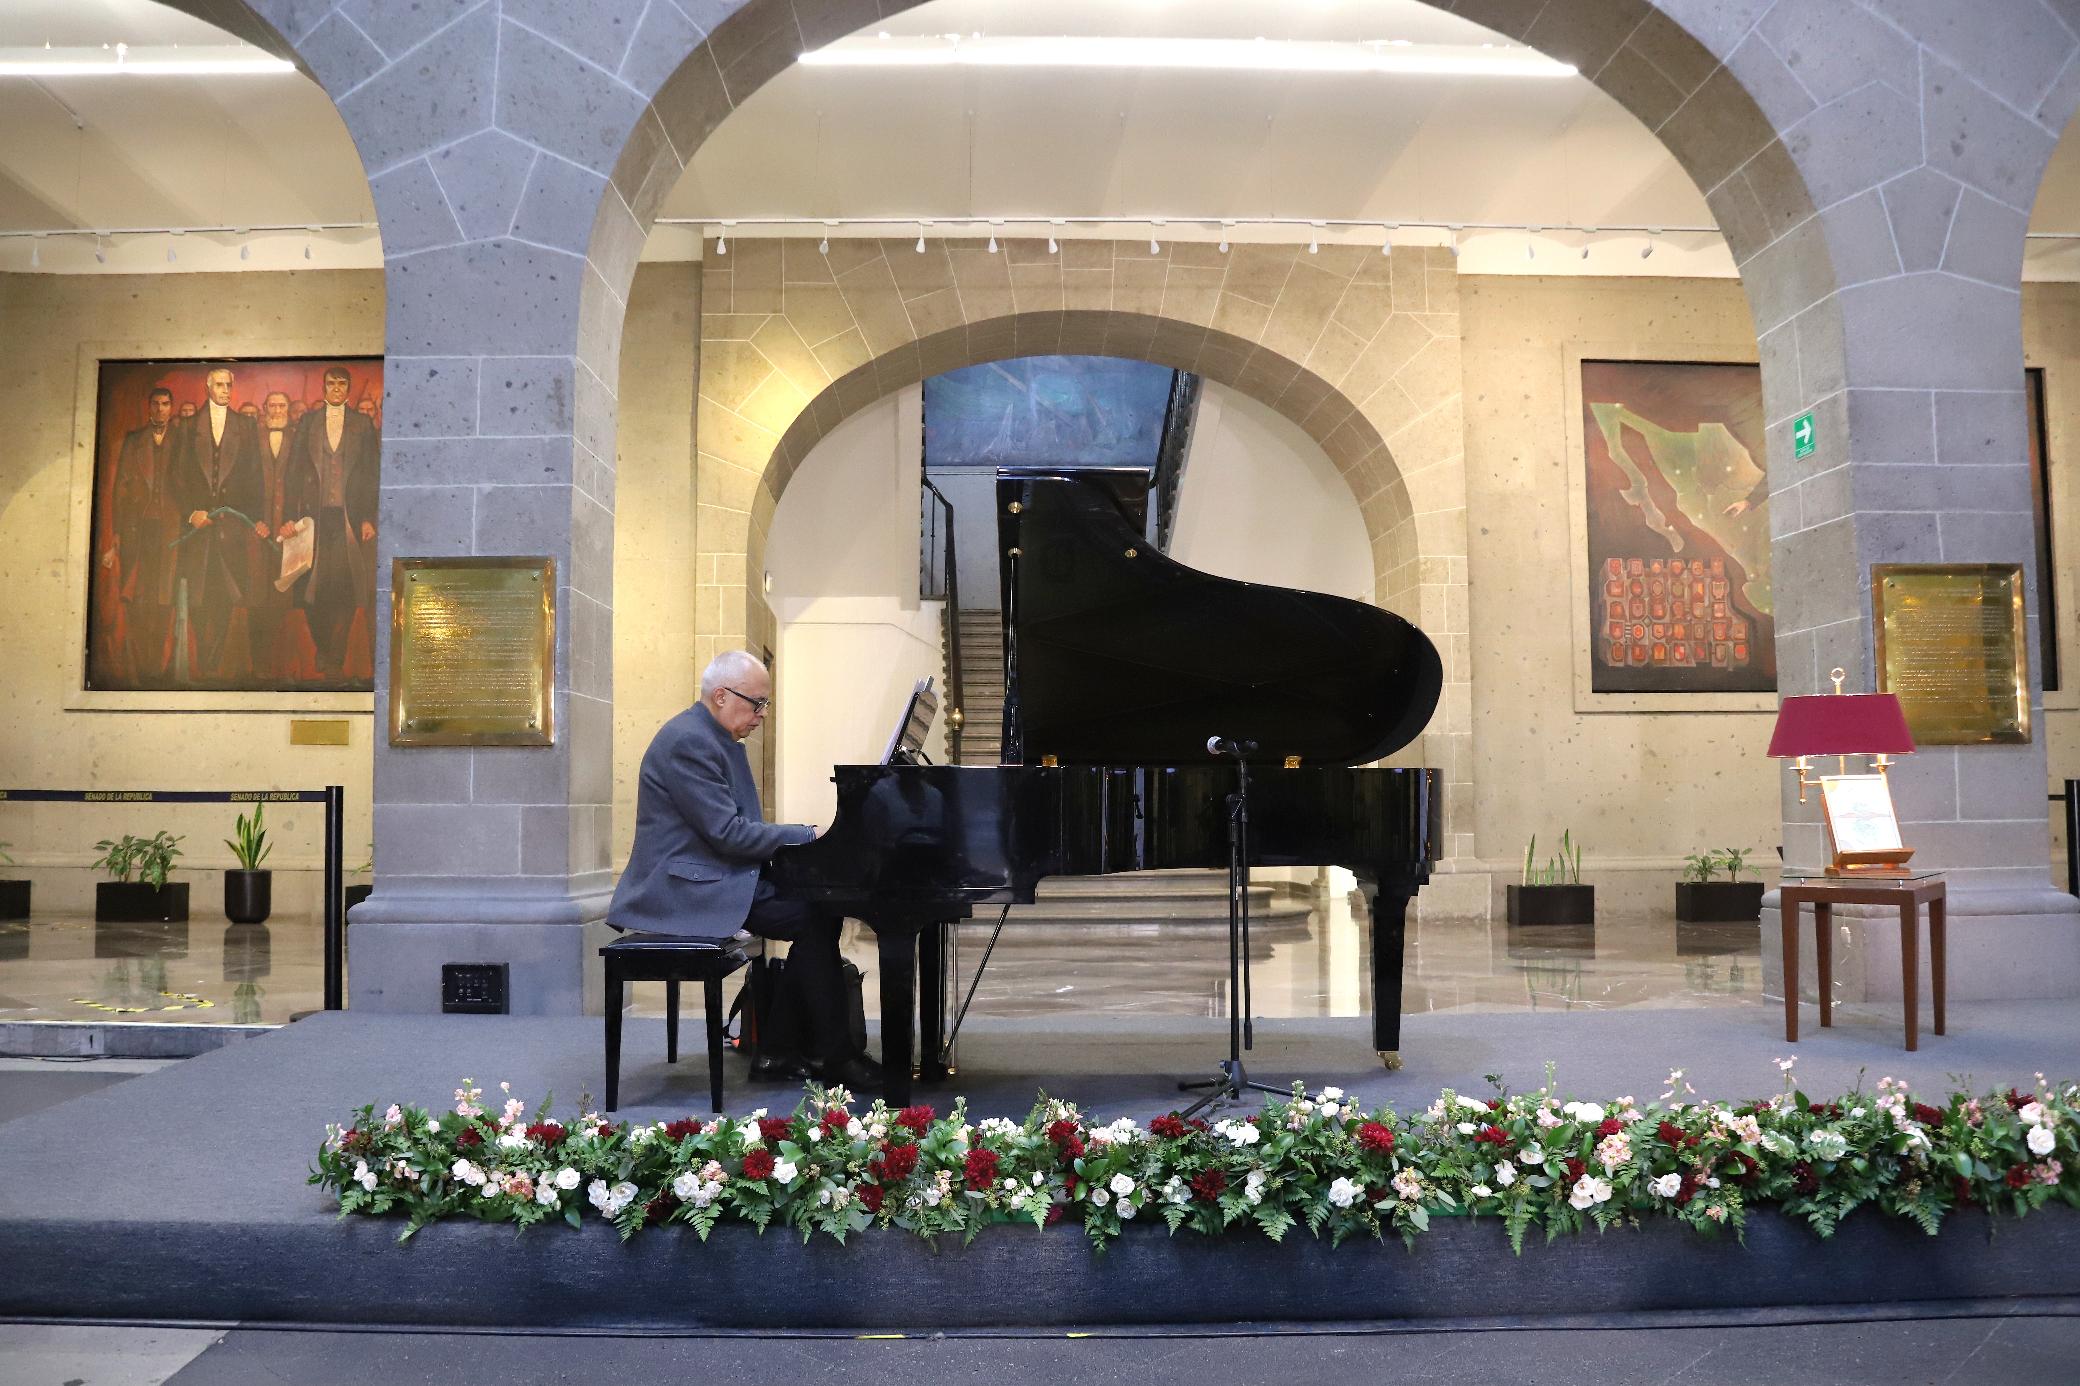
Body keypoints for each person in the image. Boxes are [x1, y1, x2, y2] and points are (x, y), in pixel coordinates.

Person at [610, 650, 875, 1086]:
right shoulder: (689, 741)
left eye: (764, 704)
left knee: (819, 911)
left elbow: (736, 831)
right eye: (757, 703)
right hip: (686, 886)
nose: (762, 715)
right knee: (814, 917)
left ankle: (786, 1051)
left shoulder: (713, 737)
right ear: (720, 696)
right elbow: (728, 834)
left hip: (714, 873)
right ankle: (822, 1055)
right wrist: (807, 835)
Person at [281, 365, 378, 679]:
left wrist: (367, 518)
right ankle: (324, 647)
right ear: (323, 388)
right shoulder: (307, 422)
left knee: (346, 589)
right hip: (313, 517)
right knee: (312, 589)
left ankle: (334, 657)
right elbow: (293, 472)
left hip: (348, 517)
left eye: (342, 384)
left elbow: (372, 476)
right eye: (331, 384)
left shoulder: (363, 425)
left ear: (348, 389)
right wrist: (287, 518)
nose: (336, 389)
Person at [169, 366, 265, 679]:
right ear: (208, 387)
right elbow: (176, 476)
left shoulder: (246, 426)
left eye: (229, 385)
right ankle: (205, 665)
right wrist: (190, 513)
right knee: (197, 597)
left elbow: (255, 477)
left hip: (230, 529)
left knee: (225, 596)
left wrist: (251, 518)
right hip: (197, 530)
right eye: (219, 385)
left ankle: (212, 667)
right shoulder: (186, 426)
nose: (225, 390)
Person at [102, 386, 181, 682]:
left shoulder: (183, 440)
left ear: (171, 408)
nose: (160, 409)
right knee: (136, 598)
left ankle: (159, 667)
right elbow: (120, 490)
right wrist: (120, 530)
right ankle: (141, 667)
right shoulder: (134, 441)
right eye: (155, 404)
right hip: (139, 529)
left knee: (165, 598)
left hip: (171, 531)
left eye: (165, 404)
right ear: (148, 408)